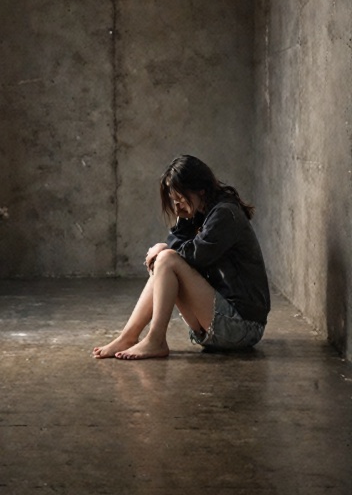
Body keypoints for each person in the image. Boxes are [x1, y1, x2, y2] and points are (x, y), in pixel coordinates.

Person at [93, 154, 270, 360]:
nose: (176, 206)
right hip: (221, 324)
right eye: (173, 200)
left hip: (243, 327)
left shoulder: (225, 214)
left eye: (180, 199)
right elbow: (183, 252)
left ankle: (155, 340)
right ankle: (128, 336)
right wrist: (182, 222)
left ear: (200, 190)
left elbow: (194, 257)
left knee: (167, 259)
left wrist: (163, 249)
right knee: (165, 261)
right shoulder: (202, 213)